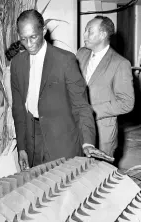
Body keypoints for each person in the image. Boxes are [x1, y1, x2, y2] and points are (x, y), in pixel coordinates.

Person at [11, 9, 98, 170]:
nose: (29, 44)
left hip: (63, 141)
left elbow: (81, 105)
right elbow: (18, 109)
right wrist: (22, 146)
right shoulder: (16, 64)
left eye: (33, 37)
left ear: (43, 31)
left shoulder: (65, 60)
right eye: (23, 39)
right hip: (32, 141)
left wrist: (87, 142)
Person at [76, 16, 134, 157]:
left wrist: (91, 111)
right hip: (77, 130)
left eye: (89, 31)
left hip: (102, 134)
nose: (84, 35)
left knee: (97, 176)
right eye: (85, 31)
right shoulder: (81, 53)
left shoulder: (120, 64)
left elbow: (126, 103)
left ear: (102, 35)